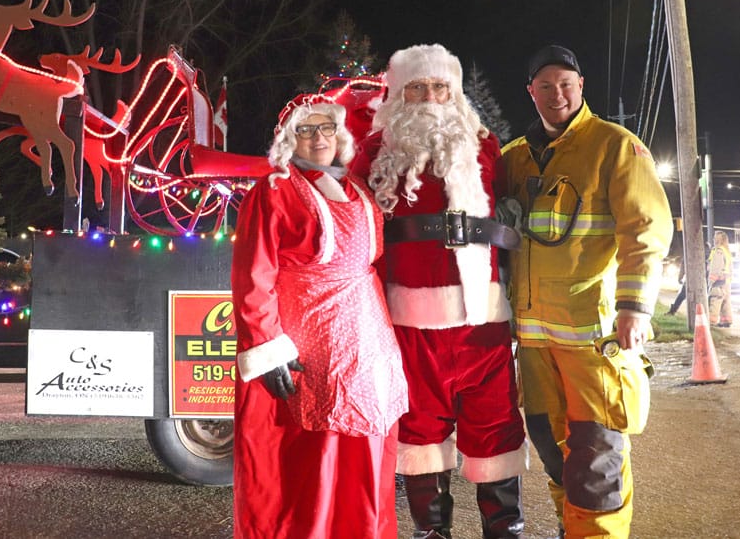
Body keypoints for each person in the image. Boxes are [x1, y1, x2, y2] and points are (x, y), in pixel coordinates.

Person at [353, 43, 527, 539]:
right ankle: (432, 532)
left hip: (481, 321)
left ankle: (504, 529)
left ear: (454, 93)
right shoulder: (374, 152)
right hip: (409, 323)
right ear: (398, 94)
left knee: (495, 425)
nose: (429, 97)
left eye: (440, 87)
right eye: (417, 87)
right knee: (419, 430)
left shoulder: (486, 145)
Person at [502, 45, 673, 538]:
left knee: (597, 455)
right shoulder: (514, 158)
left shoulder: (615, 145)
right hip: (535, 342)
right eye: (546, 85)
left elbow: (645, 229)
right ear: (531, 92)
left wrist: (635, 308)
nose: (557, 93)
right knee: (552, 446)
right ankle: (570, 528)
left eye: (566, 83)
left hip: (595, 337)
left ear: (581, 87)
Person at [230, 94, 408, 539]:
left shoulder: (359, 190)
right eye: (305, 130)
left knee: (365, 458)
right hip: (312, 350)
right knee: (317, 459)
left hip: (367, 349)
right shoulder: (274, 191)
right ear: (289, 140)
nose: (318, 138)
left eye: (326, 127)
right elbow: (254, 274)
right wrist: (265, 347)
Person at [707, 230, 733, 327]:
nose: (713, 239)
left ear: (718, 240)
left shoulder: (718, 251)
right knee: (725, 302)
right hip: (726, 280)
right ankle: (726, 321)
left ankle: (711, 321)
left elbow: (715, 267)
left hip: (718, 280)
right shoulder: (726, 251)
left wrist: (711, 281)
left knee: (715, 300)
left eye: (715, 238)